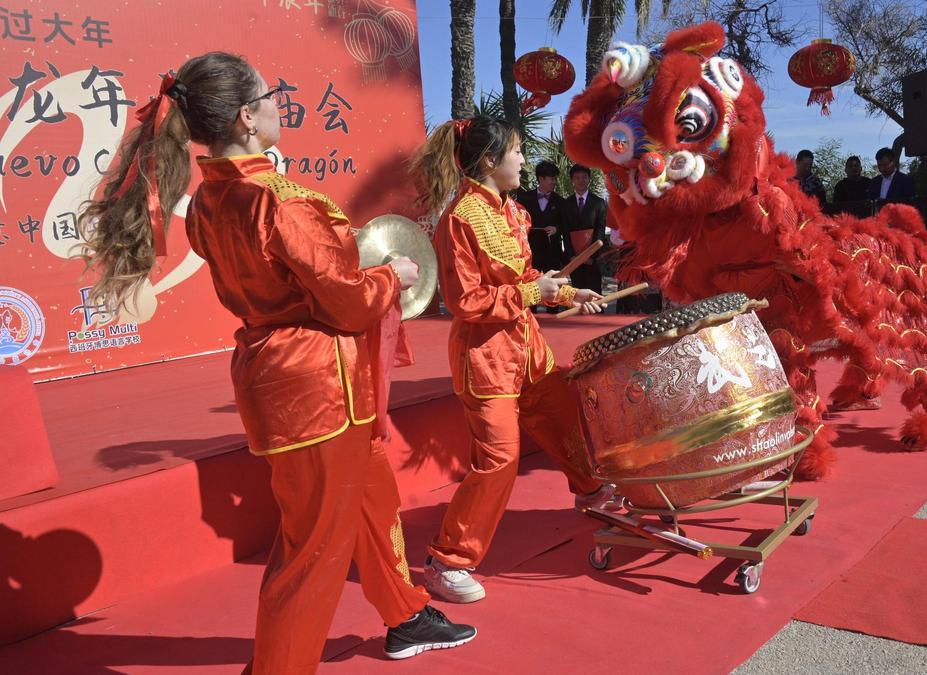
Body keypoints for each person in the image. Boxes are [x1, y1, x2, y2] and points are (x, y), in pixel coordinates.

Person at [77, 53, 474, 671]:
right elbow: (346, 301)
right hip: (319, 387)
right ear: (246, 116)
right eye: (269, 98)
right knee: (313, 549)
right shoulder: (281, 200)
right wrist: (391, 276)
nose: (276, 107)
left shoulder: (210, 200)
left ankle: (404, 614)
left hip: (291, 379)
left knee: (371, 503)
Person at [413, 116, 620, 605]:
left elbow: (527, 278)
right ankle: (447, 561)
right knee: (498, 460)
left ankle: (592, 492)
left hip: (527, 349)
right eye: (518, 152)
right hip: (486, 359)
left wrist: (567, 292)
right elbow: (465, 301)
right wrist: (532, 292)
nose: (525, 161)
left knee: (564, 418)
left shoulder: (513, 211)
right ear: (490, 160)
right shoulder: (460, 219)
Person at [562, 163, 608, 293]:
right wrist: (571, 256)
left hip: (593, 259)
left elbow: (600, 230)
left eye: (584, 177)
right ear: (572, 180)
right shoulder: (566, 204)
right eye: (577, 178)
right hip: (574, 259)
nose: (581, 181)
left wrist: (591, 256)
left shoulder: (599, 202)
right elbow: (565, 231)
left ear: (589, 179)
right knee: (578, 292)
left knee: (594, 293)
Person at [515, 160, 567, 273]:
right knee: (530, 281)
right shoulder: (524, 199)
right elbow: (516, 223)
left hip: (553, 252)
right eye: (552, 179)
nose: (554, 182)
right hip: (530, 251)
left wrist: (556, 229)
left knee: (554, 282)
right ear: (541, 178)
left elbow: (566, 225)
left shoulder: (561, 201)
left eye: (555, 179)